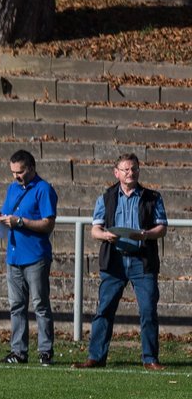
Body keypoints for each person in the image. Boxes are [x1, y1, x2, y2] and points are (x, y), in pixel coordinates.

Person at [72, 154, 168, 371]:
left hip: (142, 262)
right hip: (114, 261)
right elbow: (96, 230)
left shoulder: (152, 197)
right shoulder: (105, 197)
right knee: (104, 309)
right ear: (116, 172)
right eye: (125, 169)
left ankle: (150, 358)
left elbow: (161, 228)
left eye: (133, 169)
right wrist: (106, 236)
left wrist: (145, 234)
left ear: (138, 171)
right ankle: (96, 357)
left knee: (148, 310)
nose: (130, 173)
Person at [0, 150, 58, 365]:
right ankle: (18, 351)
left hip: (35, 256)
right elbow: (8, 214)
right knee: (17, 306)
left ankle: (45, 351)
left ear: (31, 167)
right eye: (13, 172)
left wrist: (20, 222)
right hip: (14, 256)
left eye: (19, 172)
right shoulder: (13, 189)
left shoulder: (43, 189)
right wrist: (1, 218)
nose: (15, 176)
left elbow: (48, 223)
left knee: (40, 305)